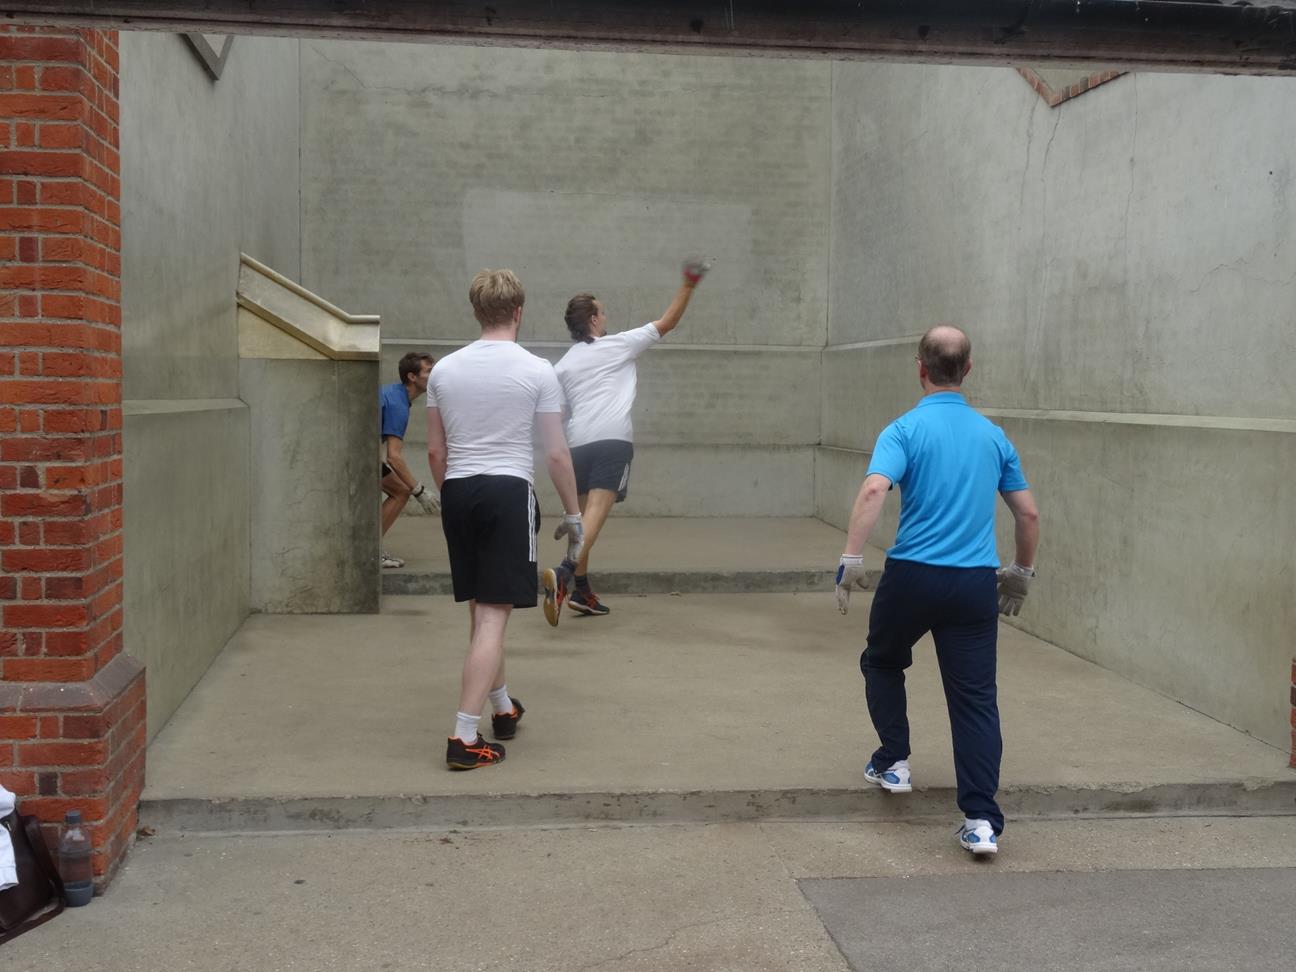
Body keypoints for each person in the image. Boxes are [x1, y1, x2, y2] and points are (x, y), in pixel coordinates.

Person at [834, 325, 1040, 857]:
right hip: (974, 584)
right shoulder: (993, 435)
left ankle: (893, 761)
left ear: (920, 369)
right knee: (974, 700)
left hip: (912, 576)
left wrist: (851, 558)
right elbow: (1028, 512)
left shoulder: (902, 429)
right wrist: (1021, 571)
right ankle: (980, 821)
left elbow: (876, 487)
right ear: (968, 369)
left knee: (882, 661)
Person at [426, 269, 584, 770]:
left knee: (481, 607)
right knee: (494, 615)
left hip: (458, 490)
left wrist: (454, 493)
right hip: (507, 491)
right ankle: (463, 738)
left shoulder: (443, 371)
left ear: (477, 312)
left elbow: (435, 450)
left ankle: (502, 707)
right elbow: (556, 455)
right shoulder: (538, 371)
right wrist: (575, 513)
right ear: (518, 311)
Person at [541, 257, 711, 623]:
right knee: (595, 518)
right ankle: (566, 572)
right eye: (602, 311)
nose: (606, 315)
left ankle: (582, 590)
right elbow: (668, 322)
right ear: (593, 320)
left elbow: (559, 414)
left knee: (584, 519)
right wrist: (689, 284)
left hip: (577, 445)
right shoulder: (618, 345)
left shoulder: (564, 364)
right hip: (612, 442)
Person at [379, 351, 440, 569]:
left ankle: (369, 548)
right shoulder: (398, 404)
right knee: (401, 491)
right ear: (412, 377)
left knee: (399, 489)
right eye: (429, 371)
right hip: (353, 455)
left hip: (358, 452)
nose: (435, 375)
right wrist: (420, 490)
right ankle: (370, 551)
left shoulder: (395, 395)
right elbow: (394, 457)